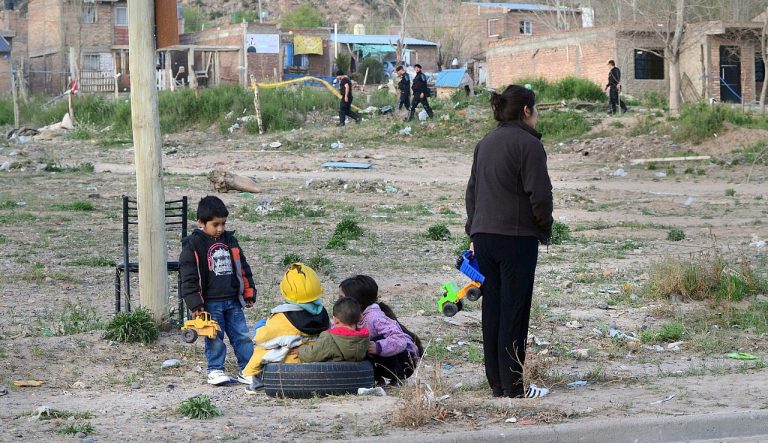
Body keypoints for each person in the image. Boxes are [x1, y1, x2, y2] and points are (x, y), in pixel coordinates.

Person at [465, 85, 553, 399]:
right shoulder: (529, 145)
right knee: (514, 311)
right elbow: (540, 196)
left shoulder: (485, 143)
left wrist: (473, 232)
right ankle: (513, 386)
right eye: (536, 109)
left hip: (484, 237)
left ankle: (497, 385)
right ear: (526, 111)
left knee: (493, 311)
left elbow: (472, 192)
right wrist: (544, 226)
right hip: (517, 239)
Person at [180, 196, 256, 386]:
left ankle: (248, 370)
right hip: (210, 303)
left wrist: (248, 292)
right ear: (201, 223)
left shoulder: (230, 240)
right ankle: (215, 370)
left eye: (223, 224)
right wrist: (195, 303)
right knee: (214, 337)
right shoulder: (194, 245)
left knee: (242, 336)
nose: (220, 229)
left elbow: (243, 268)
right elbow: (188, 277)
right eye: (216, 224)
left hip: (233, 300)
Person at [243, 263, 330, 392]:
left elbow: (262, 339)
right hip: (315, 358)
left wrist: (260, 327)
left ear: (285, 290)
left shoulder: (282, 317)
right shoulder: (323, 313)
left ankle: (258, 383)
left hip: (290, 365)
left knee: (262, 350)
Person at [338, 275, 422, 385]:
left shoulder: (374, 318)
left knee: (364, 344)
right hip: (385, 359)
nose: (338, 303)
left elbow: (399, 339)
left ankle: (397, 378)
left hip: (404, 361)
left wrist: (378, 347)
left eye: (341, 299)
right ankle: (376, 380)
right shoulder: (354, 317)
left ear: (357, 303)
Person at [298, 297, 370, 363]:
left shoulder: (329, 337)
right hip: (353, 376)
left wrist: (301, 349)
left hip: (332, 375)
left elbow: (311, 356)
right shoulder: (364, 339)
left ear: (335, 320)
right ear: (360, 317)